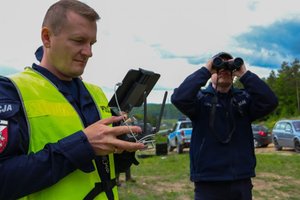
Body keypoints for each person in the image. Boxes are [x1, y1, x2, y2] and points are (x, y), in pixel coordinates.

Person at [0, 0, 145, 199]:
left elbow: (106, 167)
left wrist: (125, 146)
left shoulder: (96, 93)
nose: (89, 52)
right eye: (78, 41)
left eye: (91, 43)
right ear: (47, 37)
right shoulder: (11, 91)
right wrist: (82, 146)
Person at [171, 52, 278, 200]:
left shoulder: (243, 99)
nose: (224, 70)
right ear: (211, 72)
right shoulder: (200, 100)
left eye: (229, 66)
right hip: (208, 181)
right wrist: (206, 69)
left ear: (234, 74)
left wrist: (245, 74)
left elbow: (270, 102)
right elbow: (179, 98)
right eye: (219, 65)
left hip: (241, 179)